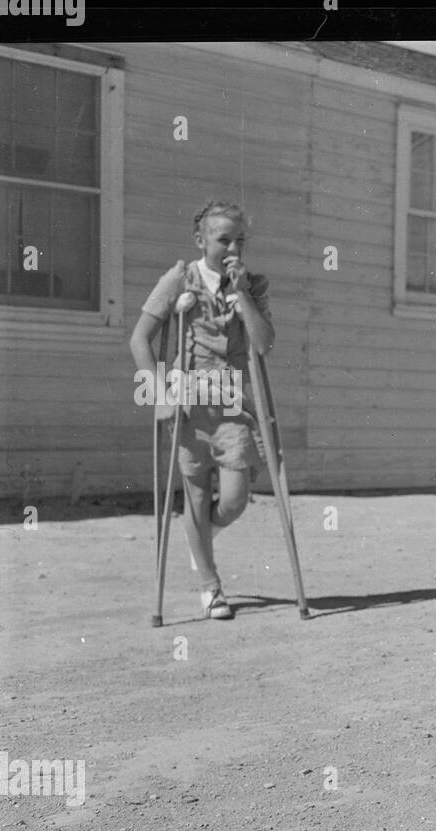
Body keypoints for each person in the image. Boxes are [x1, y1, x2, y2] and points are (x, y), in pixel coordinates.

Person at [130, 200, 275, 619]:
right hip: (188, 404)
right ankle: (210, 586)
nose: (232, 248)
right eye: (223, 239)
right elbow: (140, 340)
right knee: (194, 494)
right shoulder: (179, 278)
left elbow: (263, 344)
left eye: (239, 240)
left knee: (234, 499)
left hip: (231, 403)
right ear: (200, 240)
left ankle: (201, 538)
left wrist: (242, 293)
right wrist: (159, 395)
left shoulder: (253, 284)